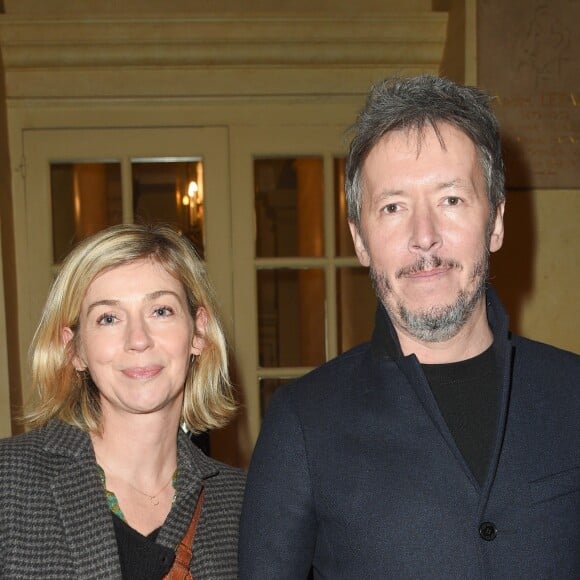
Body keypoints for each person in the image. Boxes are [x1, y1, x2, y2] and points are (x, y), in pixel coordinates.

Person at [239, 75, 580, 578]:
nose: (424, 237)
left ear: (498, 222)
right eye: (393, 207)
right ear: (360, 240)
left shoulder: (572, 391)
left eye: (451, 200)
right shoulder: (301, 425)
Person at [0, 223, 245, 579]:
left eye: (161, 311)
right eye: (109, 318)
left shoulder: (244, 502)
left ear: (199, 332)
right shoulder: (8, 482)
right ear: (76, 350)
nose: (138, 339)